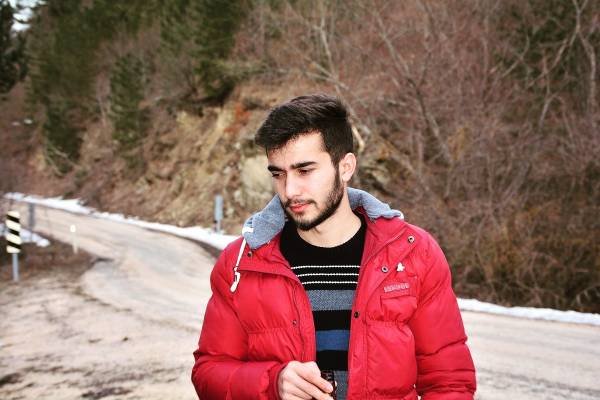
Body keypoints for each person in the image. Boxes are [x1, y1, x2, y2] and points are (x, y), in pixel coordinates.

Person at [191, 94, 476, 399]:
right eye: (278, 173)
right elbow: (208, 374)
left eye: (304, 170)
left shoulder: (413, 253)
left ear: (345, 167)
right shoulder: (241, 263)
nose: (290, 190)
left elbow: (450, 382)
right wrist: (272, 383)